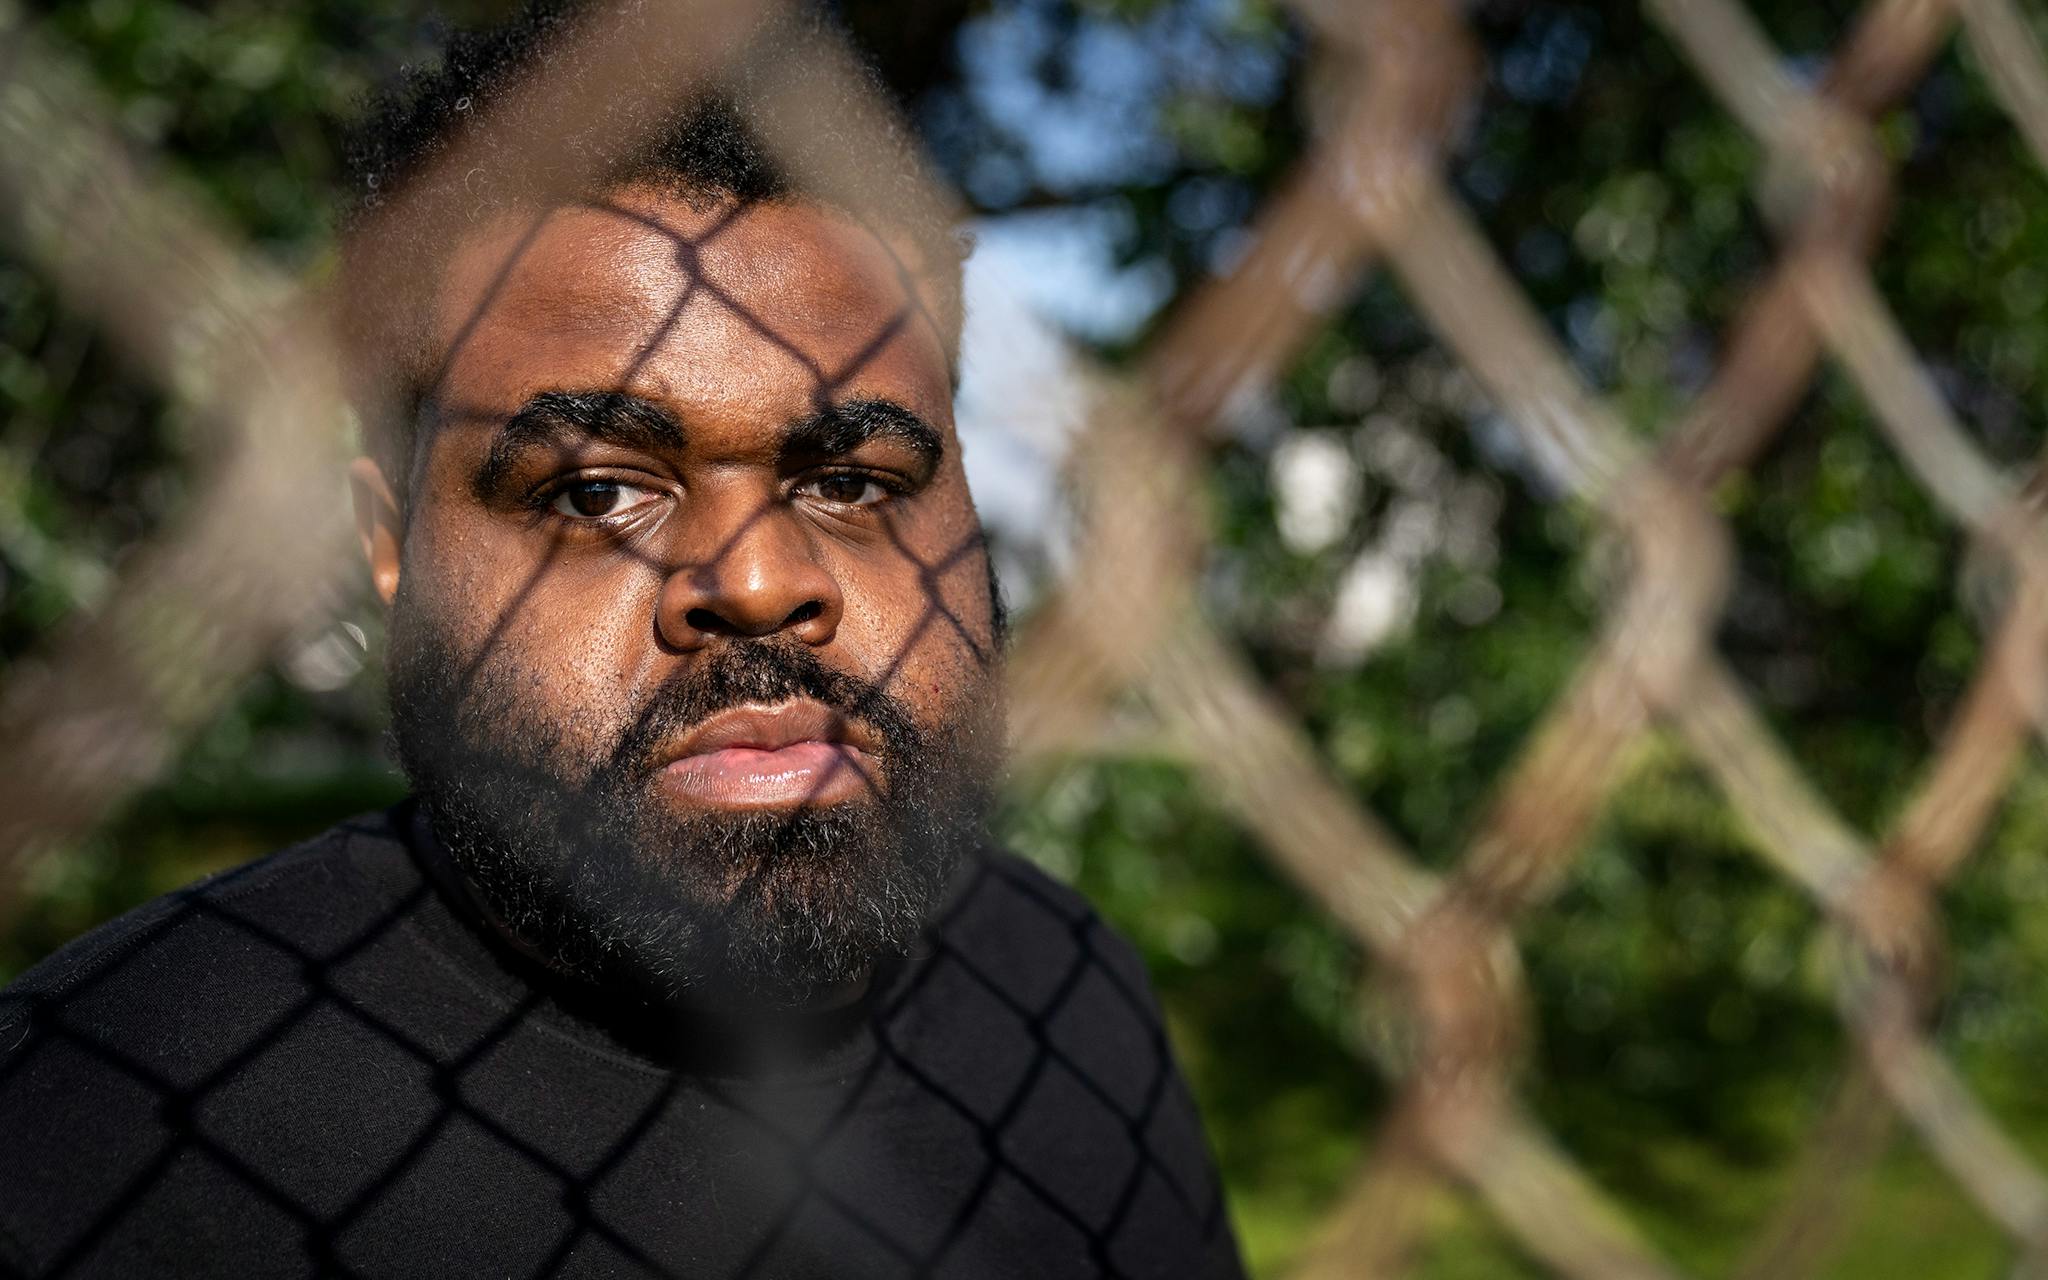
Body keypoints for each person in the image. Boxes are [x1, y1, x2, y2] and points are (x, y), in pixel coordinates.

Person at [0, 4, 1243, 1277]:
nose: (759, 582)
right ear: (391, 545)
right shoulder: (94, 1135)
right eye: (596, 490)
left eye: (856, 482)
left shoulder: (1072, 992)